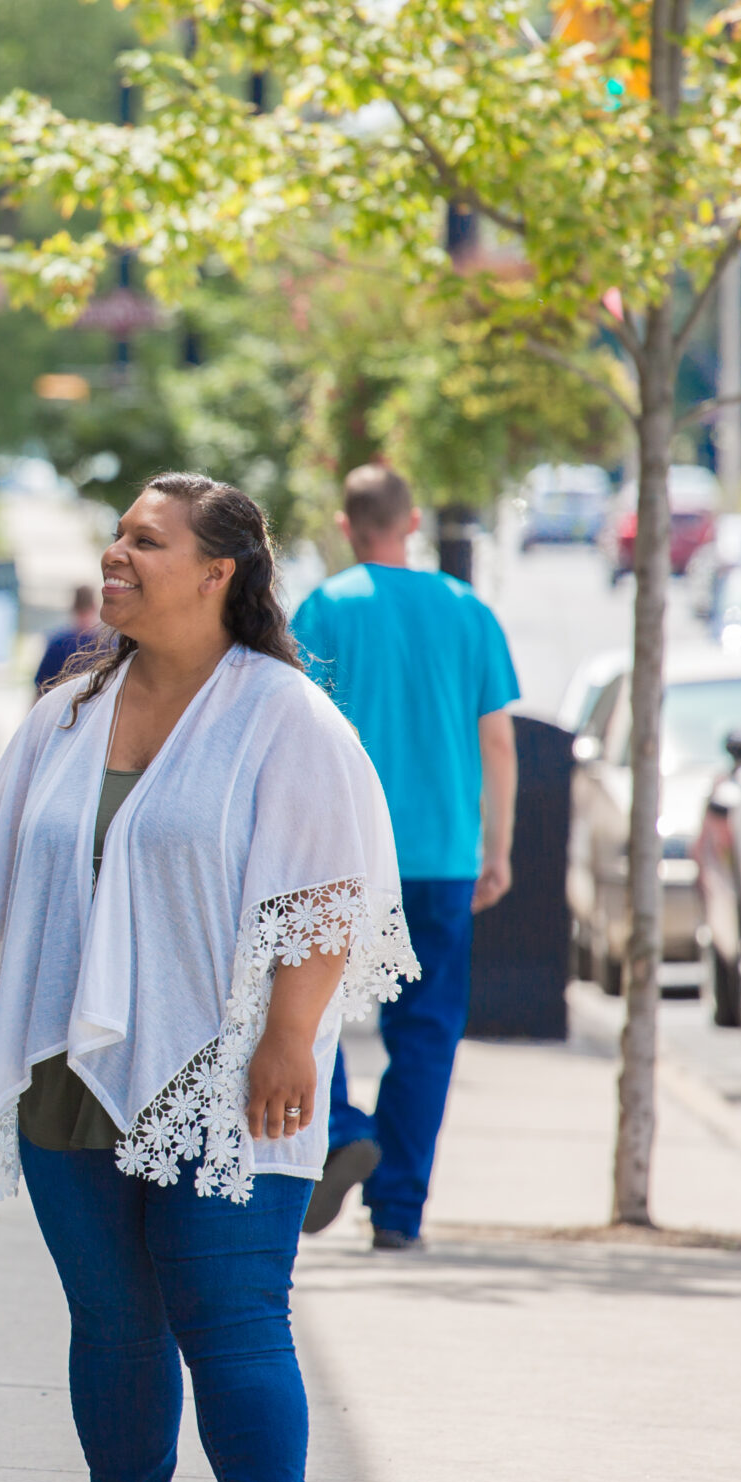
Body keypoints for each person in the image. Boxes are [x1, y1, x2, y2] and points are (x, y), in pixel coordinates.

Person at [0, 474, 414, 1482]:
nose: (114, 556)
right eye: (115, 537)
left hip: (226, 1085)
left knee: (230, 1328)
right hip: (67, 1082)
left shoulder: (283, 717)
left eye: (146, 542)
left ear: (219, 573)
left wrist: (285, 1039)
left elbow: (323, 896)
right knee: (116, 1335)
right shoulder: (67, 715)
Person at [289, 464, 519, 1251]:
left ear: (347, 525)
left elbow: (291, 731)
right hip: (444, 855)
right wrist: (498, 849)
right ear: (412, 520)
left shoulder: (325, 607)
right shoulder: (467, 611)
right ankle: (398, 1211)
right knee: (425, 1031)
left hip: (346, 851)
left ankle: (344, 1125)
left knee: (315, 1005)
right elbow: (497, 738)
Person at [36, 581, 106, 691]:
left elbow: (40, 689)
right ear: (95, 607)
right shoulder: (108, 644)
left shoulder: (58, 643)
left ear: (73, 607)